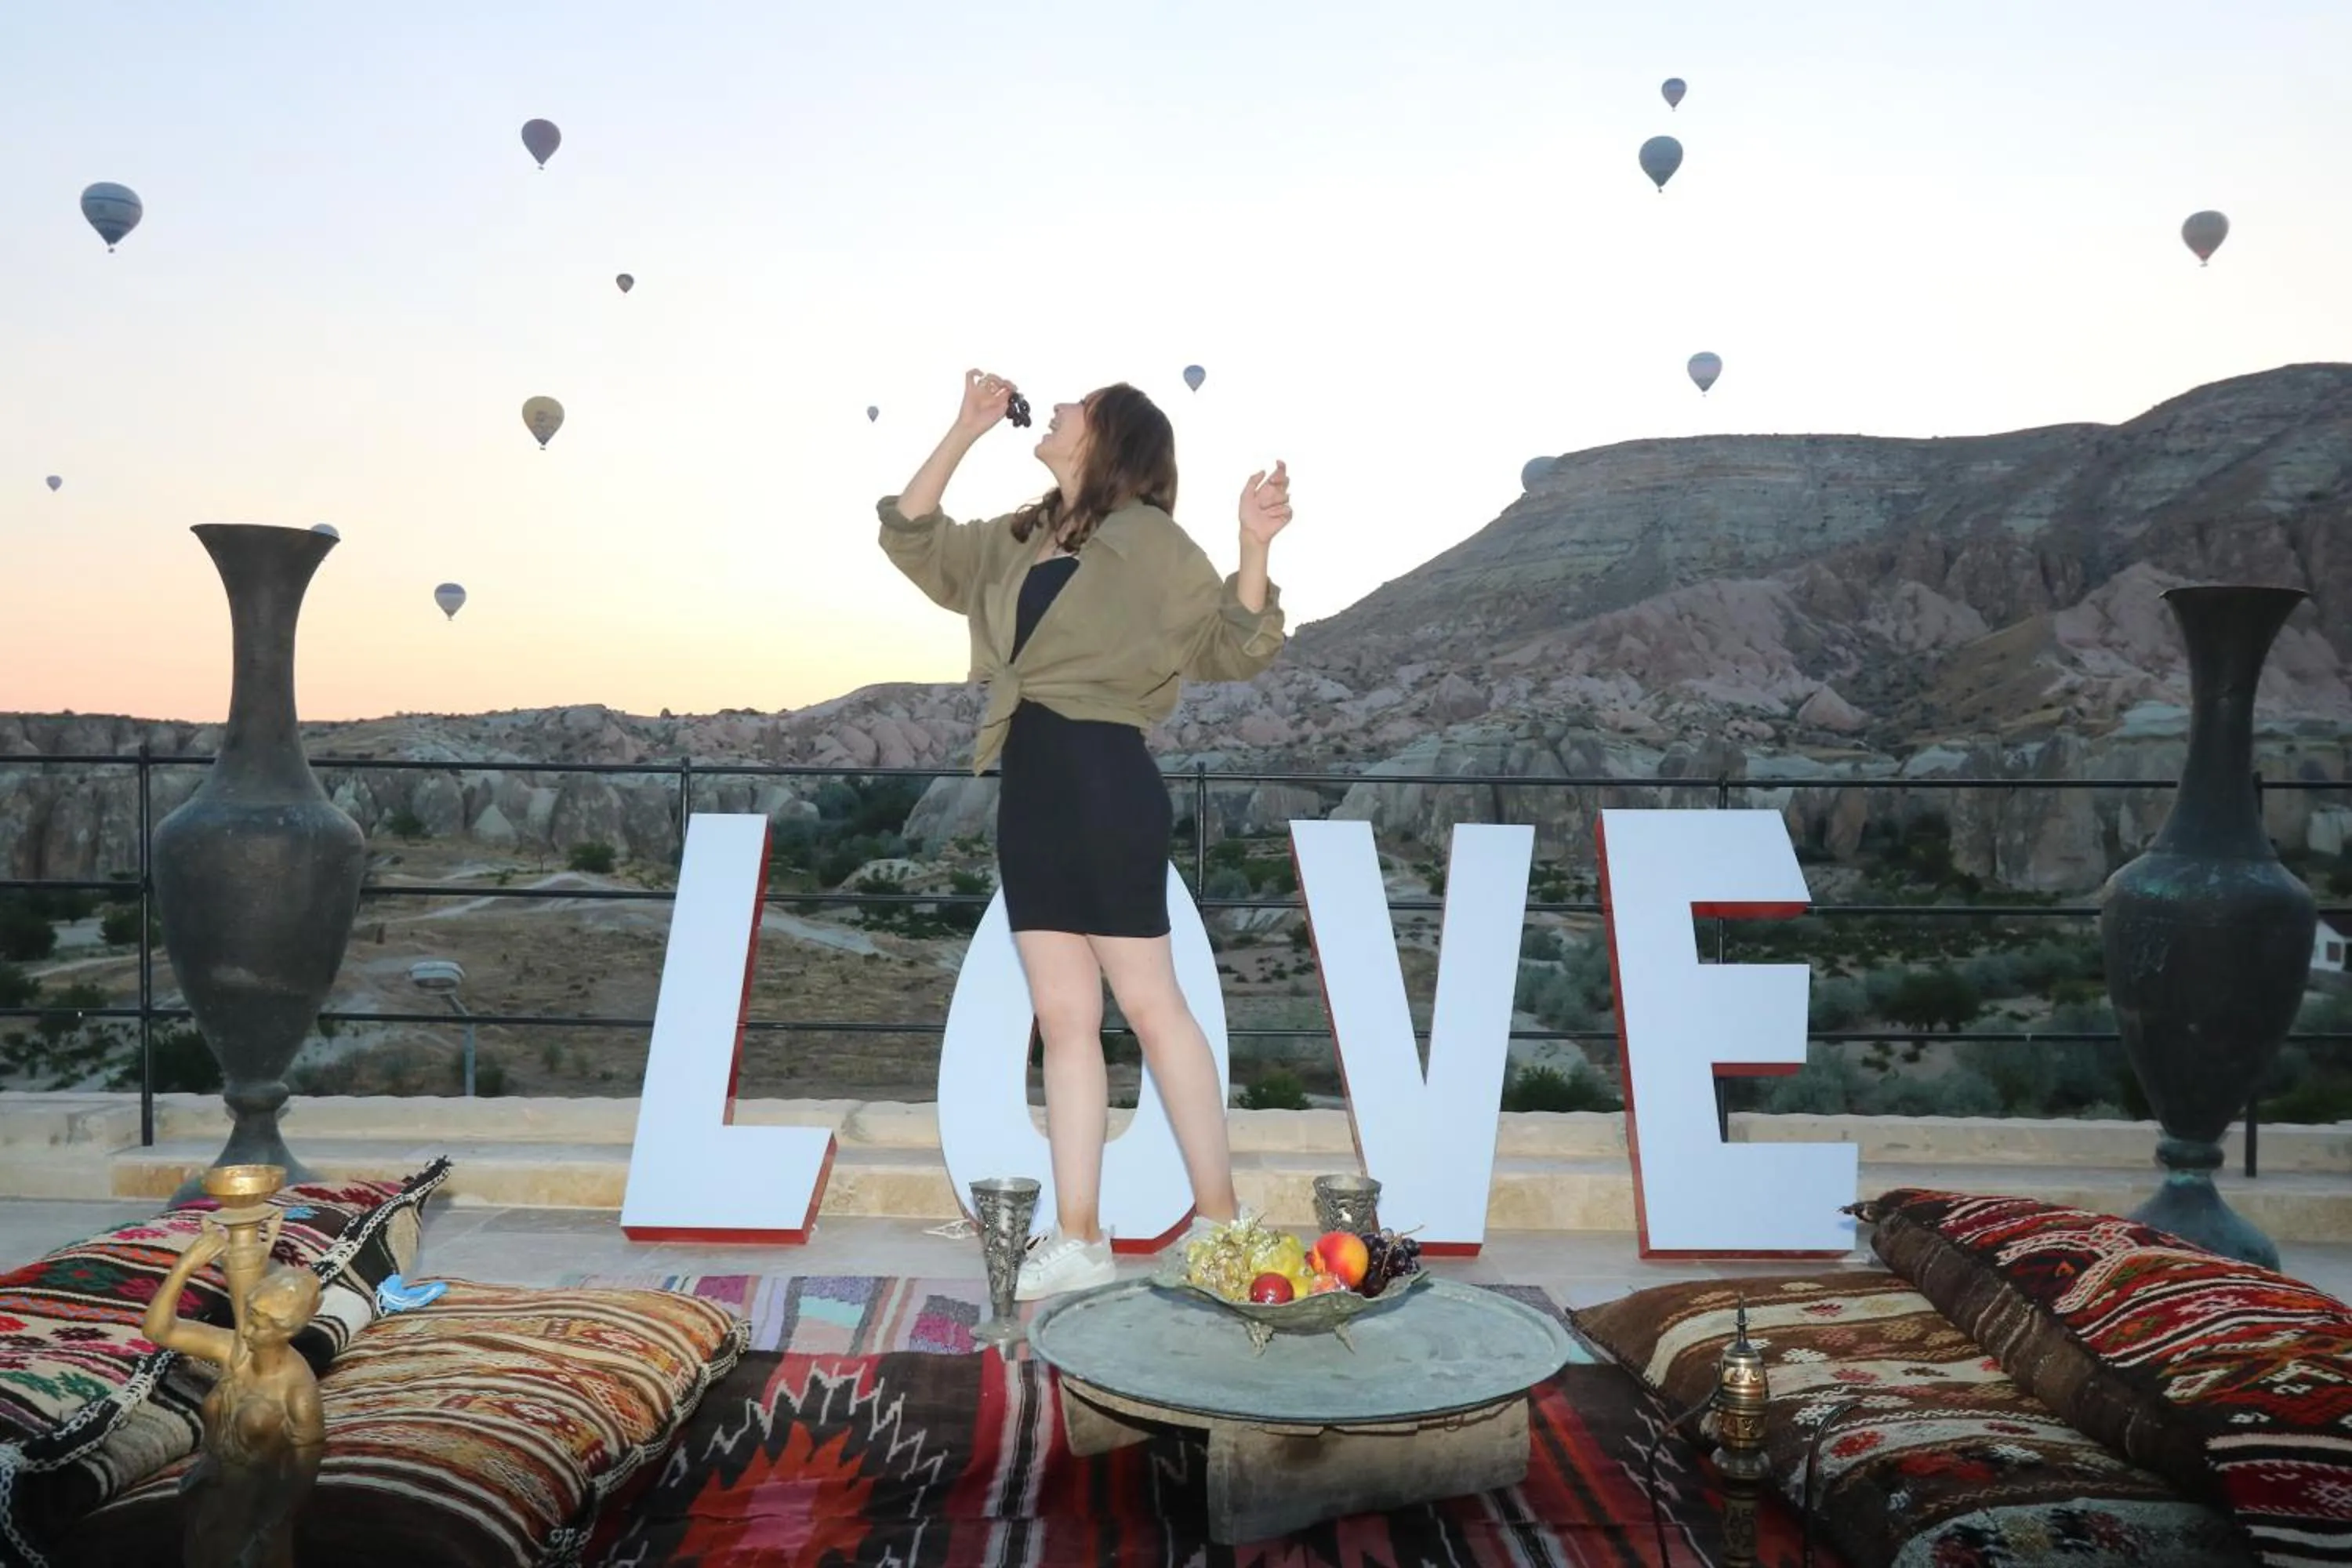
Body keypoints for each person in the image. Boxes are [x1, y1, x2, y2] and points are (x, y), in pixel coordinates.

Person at [878, 368, 1293, 1299]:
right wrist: (964, 428)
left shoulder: (1150, 541)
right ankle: (1078, 1239)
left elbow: (1235, 644)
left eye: (1078, 405)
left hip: (1105, 779)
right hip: (1028, 785)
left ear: (1109, 438)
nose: (1056, 407)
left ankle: (1222, 1225)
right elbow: (910, 534)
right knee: (1063, 1021)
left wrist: (1251, 545)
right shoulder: (1021, 538)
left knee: (1151, 1006)